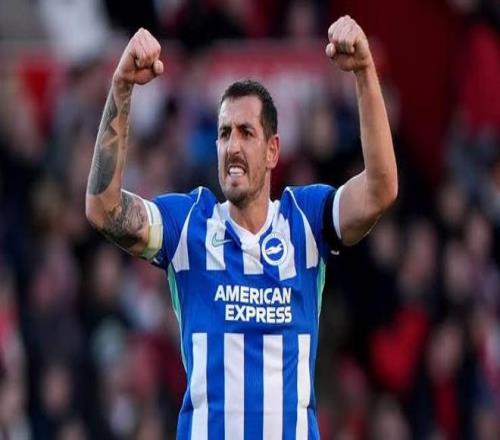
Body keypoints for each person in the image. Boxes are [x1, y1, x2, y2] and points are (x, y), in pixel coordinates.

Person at [85, 15, 397, 439]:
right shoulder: (189, 226)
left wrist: (364, 72)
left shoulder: (305, 221)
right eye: (224, 133)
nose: (232, 146)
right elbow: (103, 209)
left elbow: (381, 189)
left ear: (272, 151)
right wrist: (121, 86)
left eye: (246, 133)